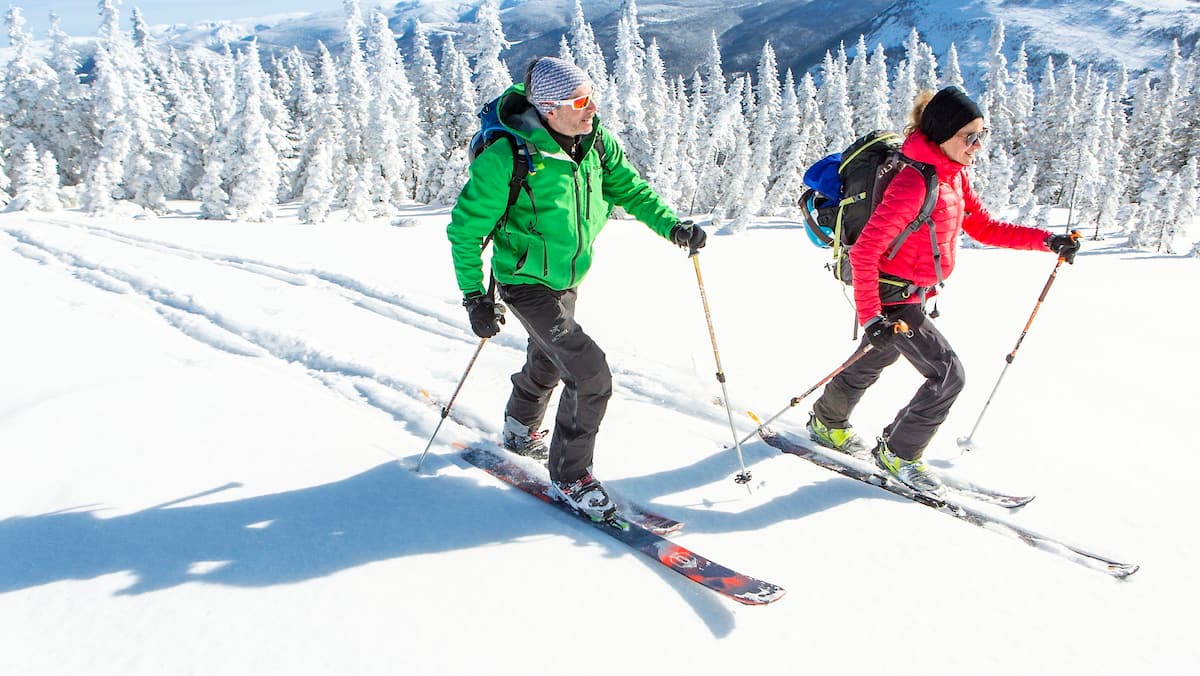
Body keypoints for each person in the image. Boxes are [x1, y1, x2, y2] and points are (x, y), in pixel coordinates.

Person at [446, 57, 705, 521]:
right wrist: (474, 296)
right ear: (548, 109)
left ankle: (520, 427)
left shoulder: (595, 142)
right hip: (524, 282)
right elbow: (465, 231)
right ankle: (570, 476)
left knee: (548, 355)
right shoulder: (508, 156)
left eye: (592, 97)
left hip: (566, 277)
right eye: (580, 102)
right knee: (590, 375)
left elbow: (631, 190)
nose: (592, 109)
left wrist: (673, 228)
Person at [805, 85, 1080, 495]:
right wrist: (873, 317)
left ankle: (827, 422)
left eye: (981, 135)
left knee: (878, 353)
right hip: (891, 295)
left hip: (911, 291)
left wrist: (1046, 240)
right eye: (969, 136)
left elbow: (985, 227)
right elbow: (864, 254)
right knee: (947, 374)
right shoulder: (912, 184)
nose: (977, 145)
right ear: (942, 136)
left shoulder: (952, 176)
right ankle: (899, 453)